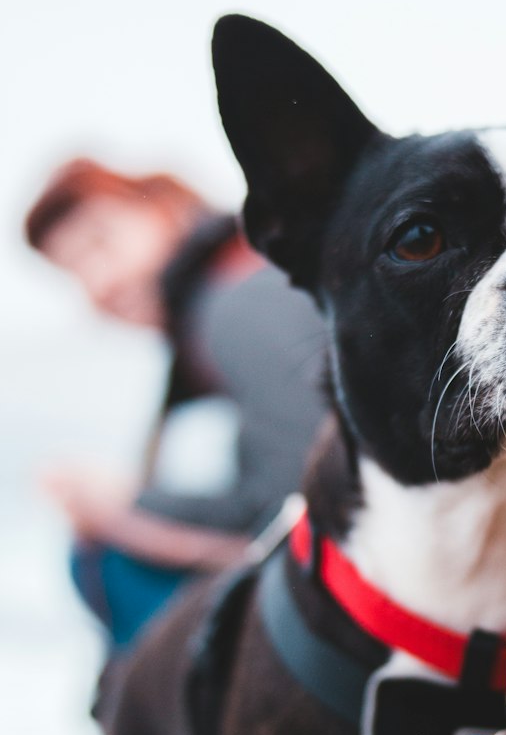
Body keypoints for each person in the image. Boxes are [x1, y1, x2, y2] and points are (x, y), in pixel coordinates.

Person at [25, 157, 329, 648]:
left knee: (106, 561)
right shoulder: (235, 294)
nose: (100, 283)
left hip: (353, 614)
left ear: (167, 208)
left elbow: (299, 503)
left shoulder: (236, 302)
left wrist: (124, 507)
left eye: (101, 242)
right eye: (75, 272)